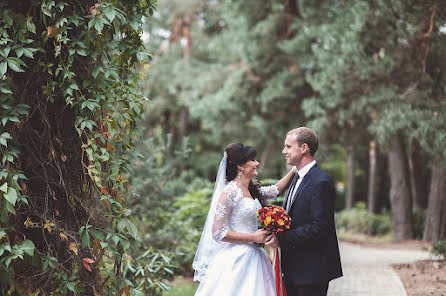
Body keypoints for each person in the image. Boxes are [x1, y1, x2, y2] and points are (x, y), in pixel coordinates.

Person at [193, 143, 296, 296]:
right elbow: (218, 232)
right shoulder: (229, 192)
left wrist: (296, 169)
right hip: (237, 259)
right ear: (241, 165)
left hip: (256, 256)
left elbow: (277, 190)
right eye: (253, 160)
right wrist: (252, 237)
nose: (257, 163)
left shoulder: (252, 190)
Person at [266, 127, 343, 296]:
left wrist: (282, 239)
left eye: (288, 146)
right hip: (293, 268)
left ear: (304, 148)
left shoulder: (320, 181)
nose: (283, 151)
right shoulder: (296, 179)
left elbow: (321, 227)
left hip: (312, 271)